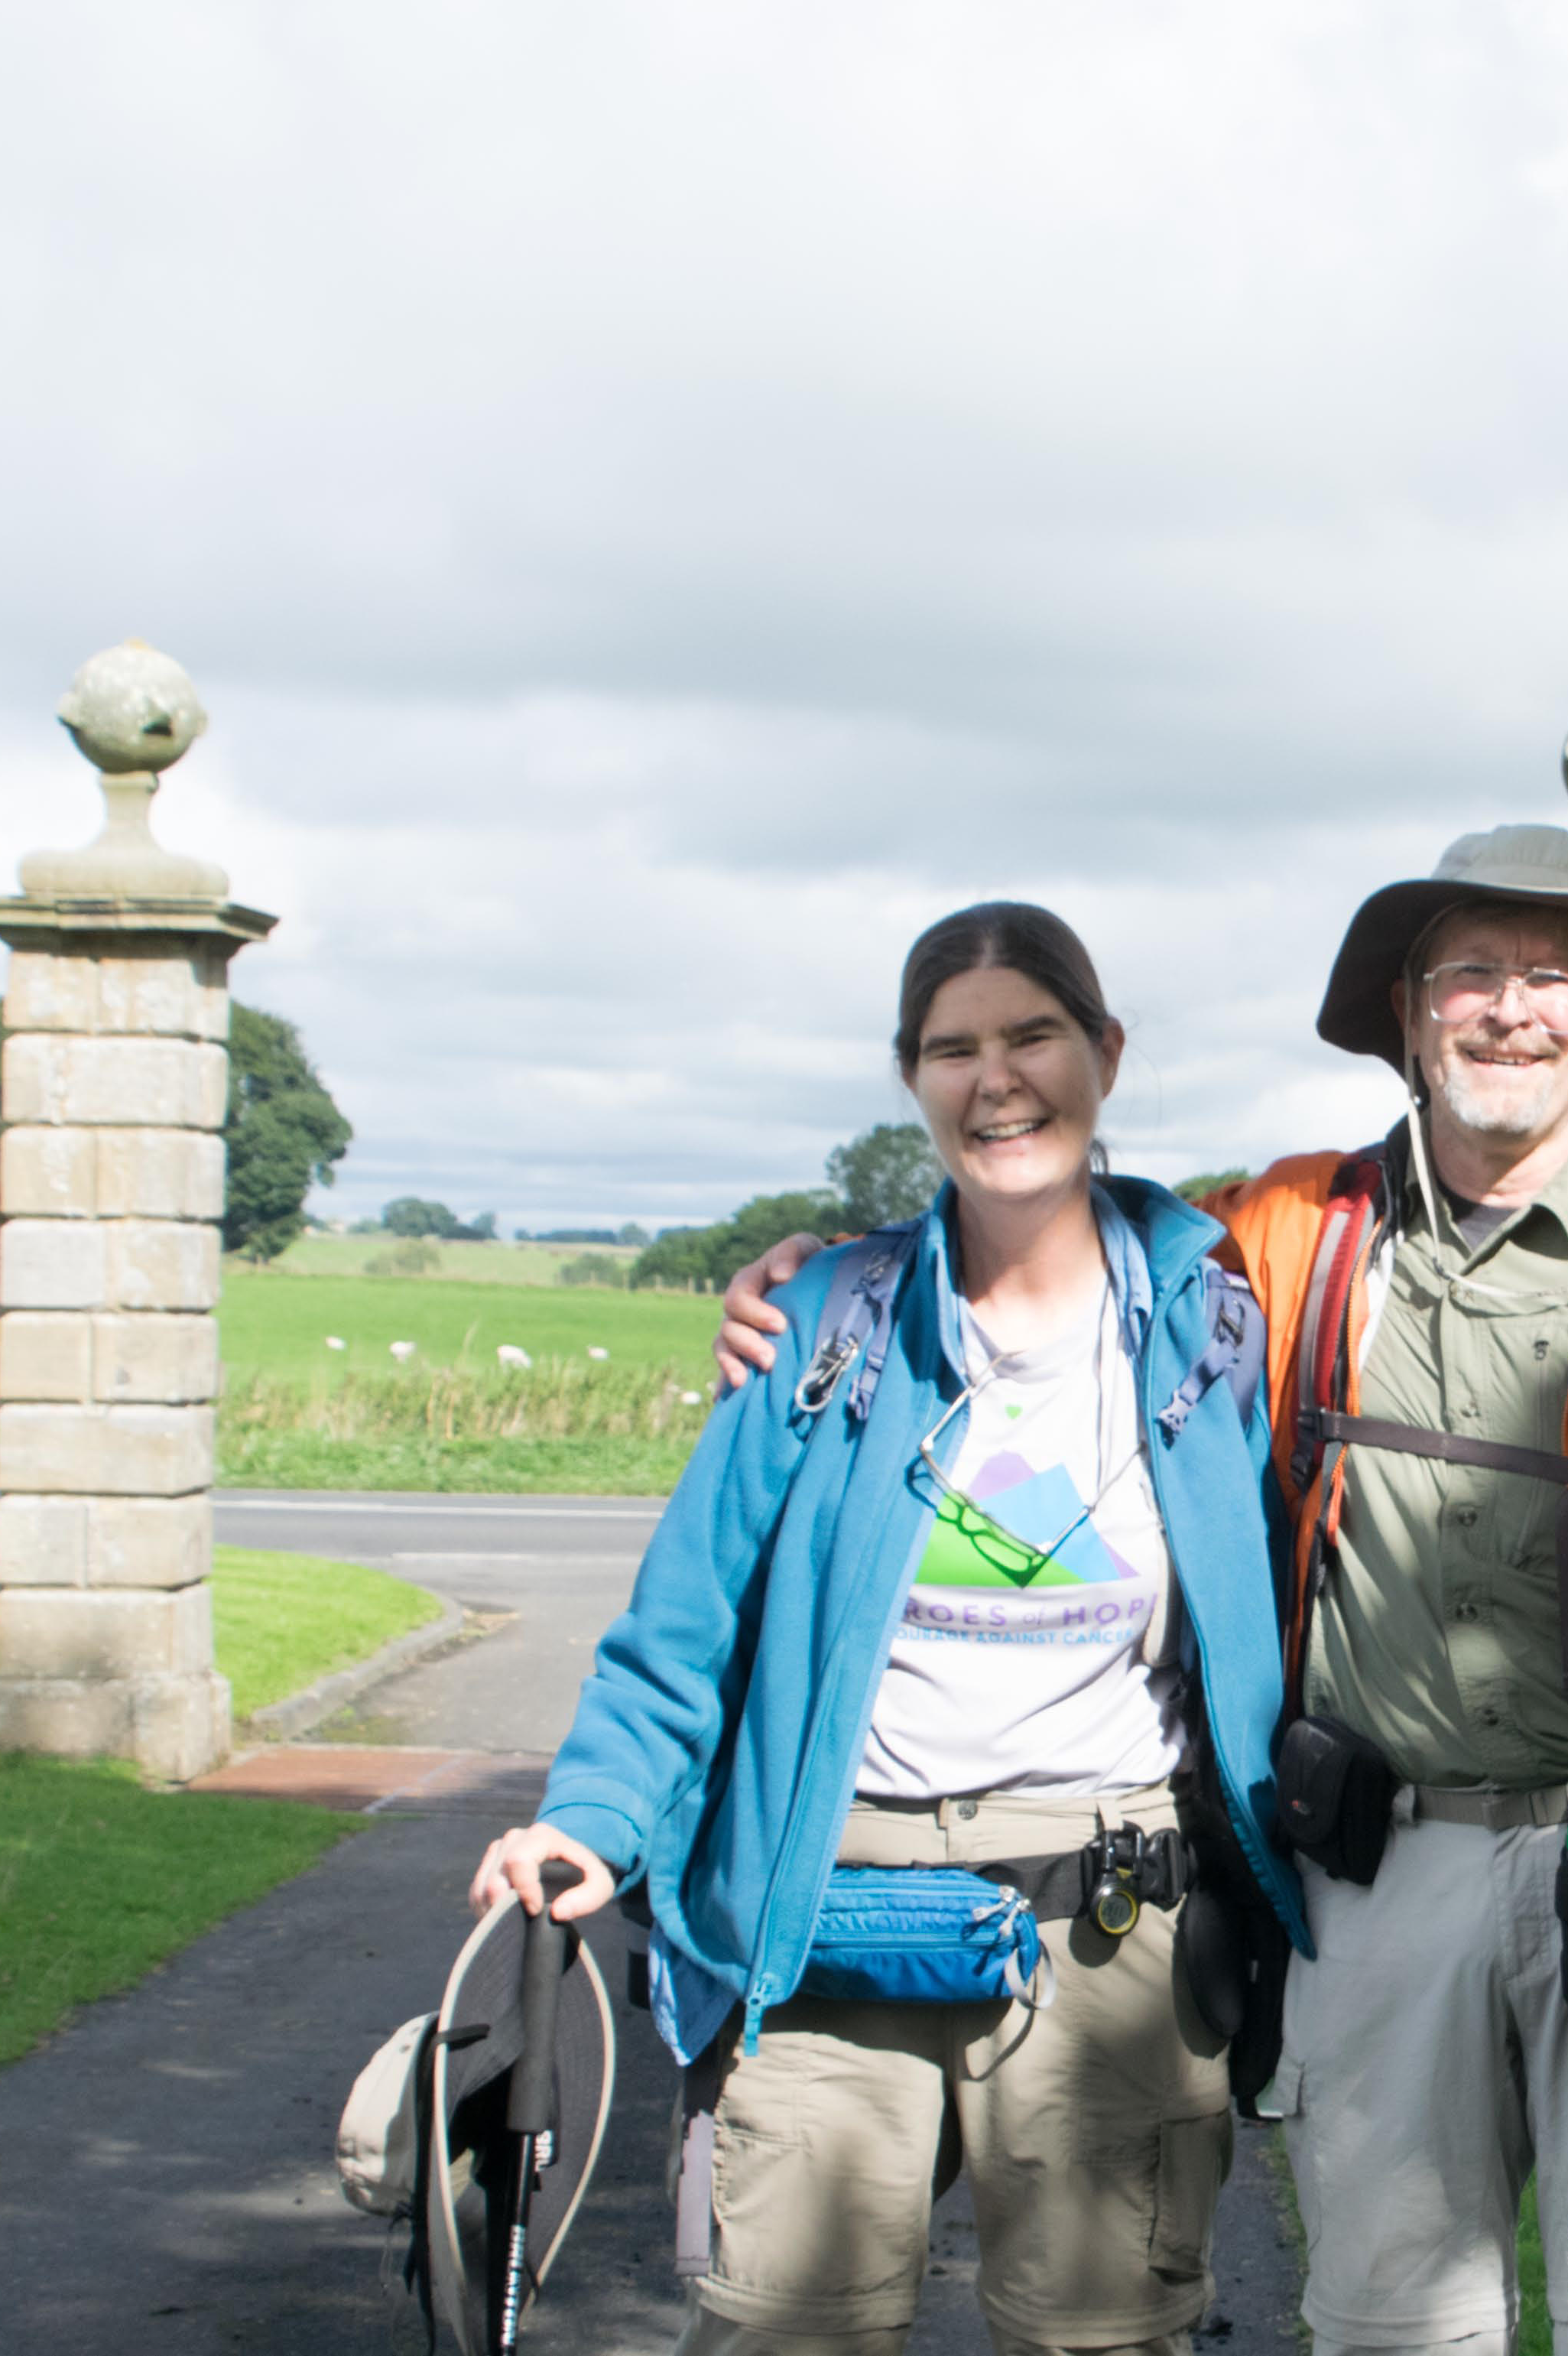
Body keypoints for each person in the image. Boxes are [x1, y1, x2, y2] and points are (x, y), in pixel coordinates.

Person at [720, 827, 1568, 2356]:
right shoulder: (1288, 1231)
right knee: (1389, 2326)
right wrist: (830, 1280)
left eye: (1550, 975)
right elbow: (1049, 1250)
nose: (1509, 1006)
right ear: (1406, 1012)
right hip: (1378, 1870)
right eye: (1468, 972)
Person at [475, 901, 1310, 2356]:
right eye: (953, 1048)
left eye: (1032, 1034)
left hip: (1110, 1937)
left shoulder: (1217, 1319)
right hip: (827, 1932)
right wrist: (592, 1818)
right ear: (913, 1077)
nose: (997, 1078)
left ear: (1105, 1052)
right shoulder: (821, 1328)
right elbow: (682, 1630)